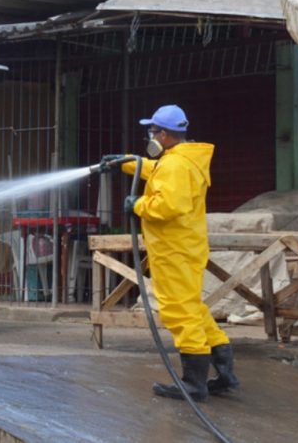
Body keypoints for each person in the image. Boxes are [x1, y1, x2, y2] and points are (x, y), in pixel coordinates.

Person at [105, 104, 239, 402]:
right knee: (194, 307)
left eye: (152, 131)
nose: (149, 136)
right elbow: (158, 170)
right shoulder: (183, 159)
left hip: (173, 250)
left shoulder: (175, 165)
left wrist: (136, 205)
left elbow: (168, 206)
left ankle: (194, 384)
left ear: (163, 135)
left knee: (179, 311)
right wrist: (127, 162)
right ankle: (225, 373)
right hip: (186, 245)